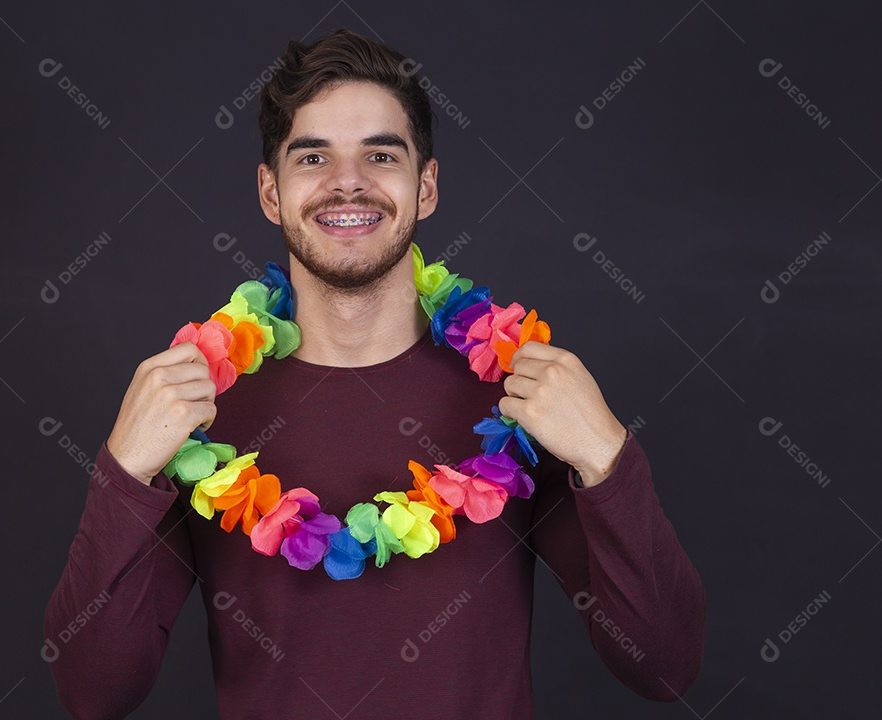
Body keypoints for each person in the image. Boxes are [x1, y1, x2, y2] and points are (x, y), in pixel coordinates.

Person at [44, 27, 705, 720]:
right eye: (313, 157)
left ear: (426, 186)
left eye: (380, 154)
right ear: (271, 192)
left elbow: (662, 668)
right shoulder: (199, 408)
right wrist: (121, 475)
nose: (347, 182)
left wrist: (608, 456)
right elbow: (94, 693)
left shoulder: (515, 398)